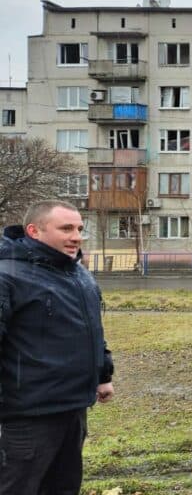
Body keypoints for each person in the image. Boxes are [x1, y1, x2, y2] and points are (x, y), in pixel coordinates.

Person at [0, 200, 114, 493]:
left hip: (73, 408)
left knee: (64, 486)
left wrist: (103, 374)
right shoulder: (7, 275)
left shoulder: (78, 275)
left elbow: (92, 330)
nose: (76, 236)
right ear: (34, 231)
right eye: (66, 228)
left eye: (79, 228)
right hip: (27, 414)